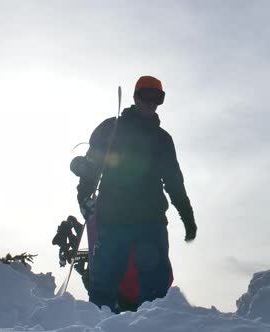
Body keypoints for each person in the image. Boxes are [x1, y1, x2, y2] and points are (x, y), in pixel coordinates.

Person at [76, 75, 197, 312]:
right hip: (113, 220)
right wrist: (83, 196)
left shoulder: (162, 140)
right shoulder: (110, 129)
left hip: (150, 222)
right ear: (135, 97)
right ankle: (100, 325)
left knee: (156, 287)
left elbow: (174, 181)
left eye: (157, 98)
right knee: (103, 284)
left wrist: (187, 216)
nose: (151, 103)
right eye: (146, 96)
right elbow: (91, 166)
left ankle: (152, 326)